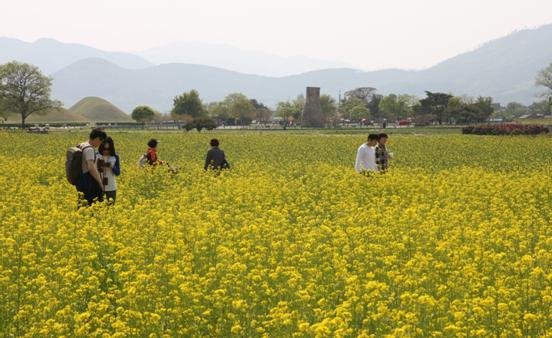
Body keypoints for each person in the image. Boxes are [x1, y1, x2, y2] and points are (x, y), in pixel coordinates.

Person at [76, 128, 107, 206]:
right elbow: (91, 167)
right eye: (101, 141)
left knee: (83, 202)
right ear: (96, 139)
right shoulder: (89, 149)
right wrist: (100, 183)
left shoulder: (82, 145)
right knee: (92, 202)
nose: (100, 144)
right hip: (87, 180)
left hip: (80, 179)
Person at [96, 137, 120, 204]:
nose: (105, 151)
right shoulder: (97, 156)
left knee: (110, 209)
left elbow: (118, 173)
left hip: (111, 188)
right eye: (103, 149)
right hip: (98, 187)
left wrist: (111, 166)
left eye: (108, 149)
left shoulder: (115, 157)